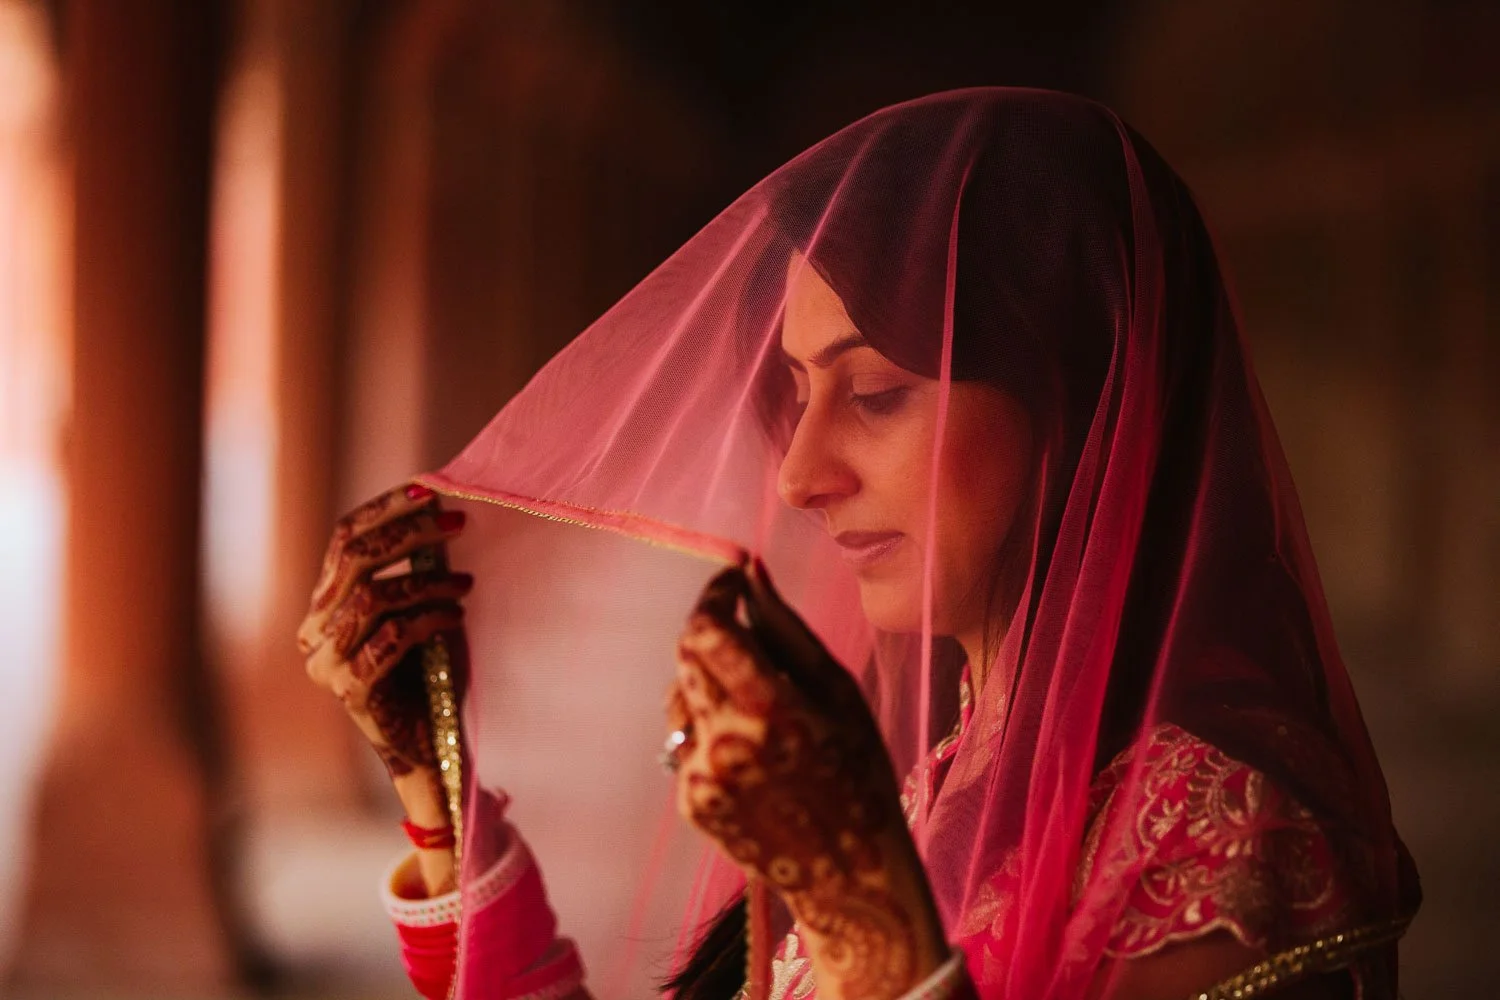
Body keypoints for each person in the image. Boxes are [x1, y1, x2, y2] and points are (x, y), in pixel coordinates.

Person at [299, 89, 1420, 1000]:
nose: (799, 474)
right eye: (798, 394)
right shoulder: (946, 765)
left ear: (1084, 402)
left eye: (877, 392)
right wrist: (433, 790)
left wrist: (862, 910)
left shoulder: (1228, 843)